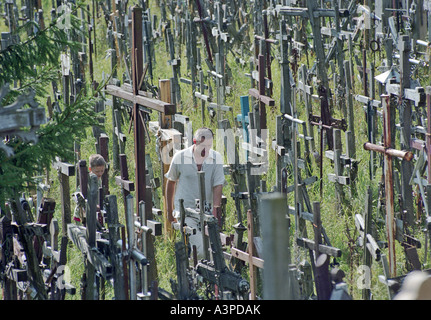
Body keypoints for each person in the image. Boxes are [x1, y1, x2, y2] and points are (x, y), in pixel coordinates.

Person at [165, 127, 225, 259]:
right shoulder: (180, 157)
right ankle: (195, 275)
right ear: (194, 142)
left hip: (207, 213)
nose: (206, 150)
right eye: (203, 146)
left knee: (214, 250)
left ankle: (204, 275)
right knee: (201, 250)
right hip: (186, 213)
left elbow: (218, 185)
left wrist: (215, 214)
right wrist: (169, 212)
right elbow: (171, 182)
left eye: (209, 146)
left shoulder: (216, 158)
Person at [73, 154, 106, 223]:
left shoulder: (99, 179)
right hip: (82, 215)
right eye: (97, 171)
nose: (100, 173)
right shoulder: (87, 180)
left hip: (94, 213)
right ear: (90, 169)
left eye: (102, 171)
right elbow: (79, 195)